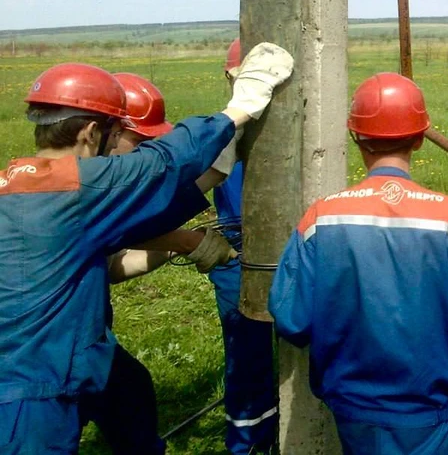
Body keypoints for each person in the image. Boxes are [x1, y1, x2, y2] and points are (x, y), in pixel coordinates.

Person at [0, 42, 293, 454]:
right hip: (29, 379)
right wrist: (243, 103)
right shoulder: (83, 186)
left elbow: (112, 261)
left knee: (128, 389)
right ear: (90, 133)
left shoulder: (26, 186)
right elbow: (166, 161)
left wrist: (182, 242)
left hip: (75, 347)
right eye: (120, 135)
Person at [269, 72, 448, 454]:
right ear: (419, 138)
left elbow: (292, 319)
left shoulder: (319, 219)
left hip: (352, 411)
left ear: (356, 137)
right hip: (430, 414)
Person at [79, 71, 237, 455]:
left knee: (130, 393)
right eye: (140, 142)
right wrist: (184, 240)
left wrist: (174, 247)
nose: (144, 155)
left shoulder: (94, 182)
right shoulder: (74, 192)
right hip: (43, 353)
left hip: (88, 337)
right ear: (103, 134)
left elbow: (114, 263)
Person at [208, 39, 278, 454]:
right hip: (238, 258)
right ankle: (250, 442)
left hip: (278, 257)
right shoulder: (222, 134)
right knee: (248, 356)